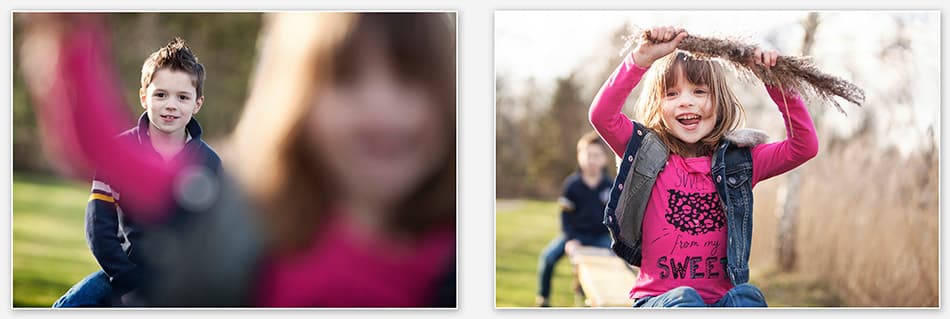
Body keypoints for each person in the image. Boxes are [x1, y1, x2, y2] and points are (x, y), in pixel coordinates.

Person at [590, 26, 819, 307]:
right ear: (657, 105)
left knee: (747, 297)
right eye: (671, 94)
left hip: (721, 302)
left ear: (719, 102)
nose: (686, 102)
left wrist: (777, 84)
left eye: (699, 91)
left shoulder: (739, 162)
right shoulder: (645, 153)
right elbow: (602, 116)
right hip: (659, 301)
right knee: (685, 299)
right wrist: (641, 59)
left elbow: (803, 147)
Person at [52, 37, 222, 307]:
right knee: (73, 304)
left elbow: (215, 237)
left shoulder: (209, 163)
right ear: (144, 97)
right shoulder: (117, 152)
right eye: (161, 95)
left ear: (197, 104)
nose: (171, 105)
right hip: (124, 273)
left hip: (184, 283)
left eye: (182, 97)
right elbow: (98, 227)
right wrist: (127, 279)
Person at [535, 131, 613, 307]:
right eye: (588, 155)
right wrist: (570, 239)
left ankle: (604, 303)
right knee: (547, 258)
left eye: (596, 155)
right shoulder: (572, 185)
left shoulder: (610, 186)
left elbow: (614, 218)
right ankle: (543, 300)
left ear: (604, 159)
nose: (592, 160)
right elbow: (565, 217)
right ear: (579, 156)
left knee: (618, 262)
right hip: (574, 235)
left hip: (600, 237)